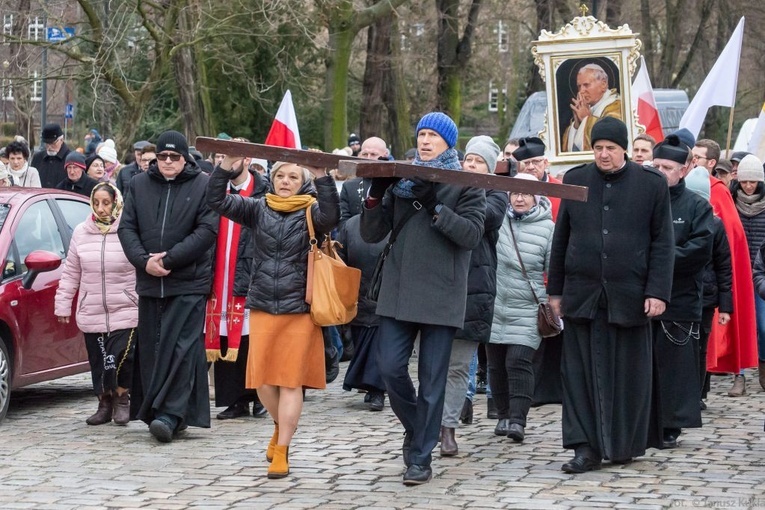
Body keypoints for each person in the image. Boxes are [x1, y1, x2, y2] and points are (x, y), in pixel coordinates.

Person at [360, 111, 485, 485]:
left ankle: (420, 457)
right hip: (399, 291)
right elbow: (372, 234)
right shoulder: (402, 178)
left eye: (433, 135)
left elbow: (472, 235)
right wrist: (375, 196)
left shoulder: (467, 183)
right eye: (421, 134)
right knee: (389, 367)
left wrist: (435, 206)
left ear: (449, 142)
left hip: (442, 293)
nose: (425, 140)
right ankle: (418, 427)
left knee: (432, 380)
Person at [548, 117, 674, 472]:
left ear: (624, 150)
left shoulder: (651, 185)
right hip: (583, 295)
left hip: (629, 296)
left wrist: (657, 291)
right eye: (598, 148)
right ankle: (584, 447)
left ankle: (623, 445)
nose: (603, 155)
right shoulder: (575, 179)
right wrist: (555, 291)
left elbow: (663, 242)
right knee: (578, 375)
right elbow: (562, 240)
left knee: (628, 375)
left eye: (611, 149)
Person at [207, 157, 339, 479]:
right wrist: (224, 167)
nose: (285, 180)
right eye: (280, 175)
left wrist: (323, 177)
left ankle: (282, 449)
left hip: (299, 310)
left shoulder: (311, 211)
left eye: (293, 176)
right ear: (272, 178)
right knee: (263, 380)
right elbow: (216, 200)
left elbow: (333, 215)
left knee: (291, 382)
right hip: (264, 306)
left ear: (301, 182)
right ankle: (281, 425)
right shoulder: (257, 208)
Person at [118, 130, 218, 443]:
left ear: (185, 157)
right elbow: (127, 228)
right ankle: (162, 412)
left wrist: (171, 259)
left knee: (182, 349)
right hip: (149, 281)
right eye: (163, 157)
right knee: (151, 349)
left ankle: (170, 414)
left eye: (175, 157)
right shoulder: (138, 184)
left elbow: (207, 230)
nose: (168, 162)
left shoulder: (202, 184)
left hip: (188, 281)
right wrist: (143, 260)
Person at [440, 136, 507, 456]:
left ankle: (448, 427)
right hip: (441, 283)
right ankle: (427, 422)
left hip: (474, 287)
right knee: (431, 364)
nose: (471, 166)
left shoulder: (496, 195)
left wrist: (472, 186)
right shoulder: (449, 187)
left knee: (457, 366)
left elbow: (485, 219)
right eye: (468, 161)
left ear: (490, 169)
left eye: (479, 163)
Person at [54, 182, 138, 426]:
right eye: (97, 203)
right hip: (92, 309)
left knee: (123, 356)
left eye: (106, 203)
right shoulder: (81, 232)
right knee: (100, 360)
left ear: (116, 203)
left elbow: (140, 263)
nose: (101, 209)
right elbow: (71, 271)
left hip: (125, 306)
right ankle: (104, 401)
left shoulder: (128, 229)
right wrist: (63, 304)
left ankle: (122, 398)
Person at [650, 135, 713, 448]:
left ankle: (671, 423)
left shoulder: (697, 206)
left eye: (667, 167)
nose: (661, 171)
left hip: (681, 298)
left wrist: (661, 256)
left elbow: (700, 248)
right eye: (656, 165)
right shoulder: (642, 201)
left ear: (684, 170)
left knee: (674, 365)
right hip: (644, 297)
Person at [204, 142, 270, 421]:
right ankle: (234, 399)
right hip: (219, 272)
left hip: (250, 269)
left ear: (246, 159)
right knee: (223, 337)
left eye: (230, 158)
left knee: (251, 338)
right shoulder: (214, 191)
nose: (225, 163)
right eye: (220, 158)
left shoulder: (263, 190)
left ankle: (259, 395)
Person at [488, 172, 553, 444]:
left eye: (525, 193)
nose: (519, 198)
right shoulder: (497, 221)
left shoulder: (549, 228)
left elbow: (555, 268)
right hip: (494, 304)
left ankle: (518, 420)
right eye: (515, 193)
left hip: (527, 306)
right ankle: (502, 414)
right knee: (495, 365)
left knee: (518, 361)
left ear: (535, 197)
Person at [692, 138, 758, 396]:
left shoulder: (718, 191)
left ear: (710, 162)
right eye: (692, 156)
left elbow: (730, 238)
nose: (693, 161)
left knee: (707, 338)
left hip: (712, 279)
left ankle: (703, 391)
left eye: (698, 157)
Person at [684, 168, 732, 408]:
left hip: (706, 295)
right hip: (682, 293)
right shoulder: (679, 219)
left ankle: (698, 392)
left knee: (701, 345)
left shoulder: (716, 225)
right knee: (685, 345)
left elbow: (724, 267)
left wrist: (725, 306)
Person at [730, 154, 765, 391]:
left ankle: (763, 363)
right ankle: (739, 375)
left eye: (753, 181)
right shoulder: (732, 203)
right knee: (739, 326)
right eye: (744, 181)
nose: (749, 186)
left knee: (763, 326)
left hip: (761, 272)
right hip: (738, 274)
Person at [562, 63, 623, 152]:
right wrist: (577, 125)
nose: (581, 91)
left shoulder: (616, 106)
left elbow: (611, 140)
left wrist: (586, 120)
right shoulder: (586, 107)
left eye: (586, 85)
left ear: (603, 84)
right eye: (579, 86)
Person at [339, 136, 389, 227]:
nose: (368, 158)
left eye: (373, 154)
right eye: (365, 154)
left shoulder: (394, 185)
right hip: (355, 237)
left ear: (385, 155)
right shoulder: (349, 186)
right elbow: (343, 222)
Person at [512, 137, 561, 220]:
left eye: (536, 162)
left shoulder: (560, 189)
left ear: (545, 163)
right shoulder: (512, 191)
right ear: (519, 167)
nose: (531, 167)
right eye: (526, 163)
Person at [32, 123, 71, 188]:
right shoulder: (37, 158)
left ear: (61, 140)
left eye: (53, 143)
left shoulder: (71, 159)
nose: (50, 147)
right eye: (47, 144)